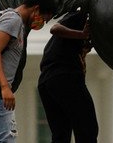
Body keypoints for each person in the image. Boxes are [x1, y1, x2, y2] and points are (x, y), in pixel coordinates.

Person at [0, 0, 57, 143]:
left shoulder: (4, 15)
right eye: (44, 18)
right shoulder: (14, 20)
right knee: (7, 139)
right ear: (36, 9)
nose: (42, 23)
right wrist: (5, 87)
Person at [37, 9, 98, 143]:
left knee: (61, 133)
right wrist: (82, 35)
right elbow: (55, 28)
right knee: (87, 127)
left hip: (47, 81)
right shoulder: (82, 15)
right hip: (64, 76)